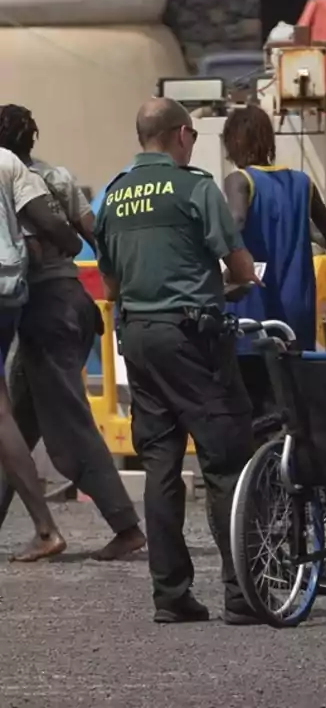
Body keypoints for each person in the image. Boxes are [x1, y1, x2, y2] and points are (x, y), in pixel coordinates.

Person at [95, 97, 261, 624]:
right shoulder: (195, 186)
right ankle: (242, 592)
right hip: (192, 337)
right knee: (224, 458)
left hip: (138, 337)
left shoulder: (113, 196)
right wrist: (233, 285)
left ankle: (171, 595)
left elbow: (112, 282)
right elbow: (239, 265)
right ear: (182, 135)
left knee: (161, 465)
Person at [0, 105, 146, 560]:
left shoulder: (12, 180)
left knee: (68, 427)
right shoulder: (58, 176)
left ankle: (125, 526)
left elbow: (54, 240)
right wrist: (115, 282)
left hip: (46, 312)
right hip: (72, 306)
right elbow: (92, 233)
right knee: (14, 424)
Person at [221, 105, 326, 414]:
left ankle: (262, 461)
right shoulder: (303, 183)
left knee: (253, 404)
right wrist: (296, 226)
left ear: (233, 143)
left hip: (252, 306)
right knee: (291, 404)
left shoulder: (240, 180)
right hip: (296, 311)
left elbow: (236, 222)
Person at [0, 147, 82, 561]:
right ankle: (43, 527)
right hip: (9, 293)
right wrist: (72, 242)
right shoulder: (6, 162)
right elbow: (47, 221)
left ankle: (46, 528)